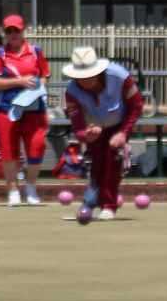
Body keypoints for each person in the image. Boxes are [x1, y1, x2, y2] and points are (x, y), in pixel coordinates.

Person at [62, 46, 144, 222]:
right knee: (98, 164)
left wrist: (123, 133)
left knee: (113, 159)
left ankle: (108, 206)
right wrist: (86, 135)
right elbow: (78, 127)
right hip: (94, 128)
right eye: (80, 76)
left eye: (88, 75)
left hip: (119, 124)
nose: (84, 79)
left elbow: (136, 105)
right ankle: (90, 202)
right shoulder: (71, 92)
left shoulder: (120, 77)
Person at [0, 14, 50, 206]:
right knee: (9, 151)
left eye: (16, 30)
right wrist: (19, 81)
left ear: (23, 31)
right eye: (9, 31)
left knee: (37, 146)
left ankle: (30, 186)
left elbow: (44, 76)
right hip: (7, 108)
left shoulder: (35, 52)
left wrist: (39, 87)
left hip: (35, 107)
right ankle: (12, 190)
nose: (12, 34)